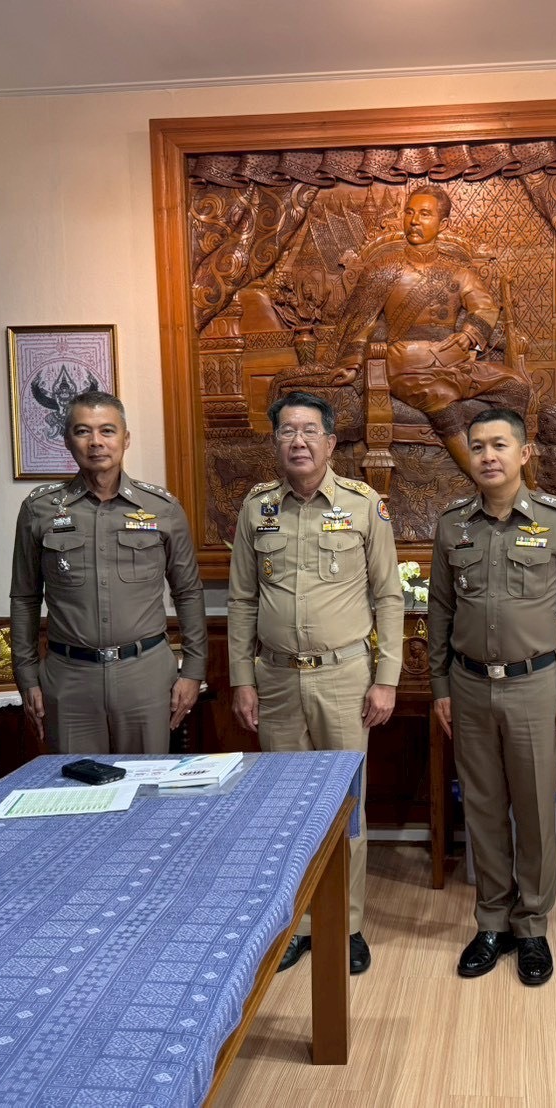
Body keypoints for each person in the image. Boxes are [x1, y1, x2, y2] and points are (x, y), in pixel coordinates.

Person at [226, 391, 403, 977]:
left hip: (345, 678)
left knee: (345, 810)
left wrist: (386, 679)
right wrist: (242, 678)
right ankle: (298, 924)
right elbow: (242, 600)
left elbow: (388, 596)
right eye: (286, 431)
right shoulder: (256, 509)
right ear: (275, 442)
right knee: (283, 811)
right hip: (275, 680)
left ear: (330, 443)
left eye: (309, 431)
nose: (297, 441)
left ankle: (346, 925)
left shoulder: (363, 505)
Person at [428, 408, 556, 987]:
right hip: (470, 686)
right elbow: (440, 610)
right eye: (478, 446)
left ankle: (532, 927)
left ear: (524, 454)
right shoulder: (453, 524)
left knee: (534, 811)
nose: (487, 456)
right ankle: (492, 922)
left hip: (535, 687)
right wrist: (441, 686)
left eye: (499, 445)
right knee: (481, 808)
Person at [10, 390, 205, 755]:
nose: (96, 442)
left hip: (145, 674)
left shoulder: (162, 508)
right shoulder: (39, 509)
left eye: (107, 431)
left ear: (125, 439)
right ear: (67, 440)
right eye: (83, 431)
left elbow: (188, 592)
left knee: (147, 783)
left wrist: (193, 670)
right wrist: (26, 675)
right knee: (75, 785)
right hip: (69, 677)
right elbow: (24, 597)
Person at [329, 185, 532, 479]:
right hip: (406, 366)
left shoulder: (458, 272)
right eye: (409, 213)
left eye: (425, 214)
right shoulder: (383, 270)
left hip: (453, 362)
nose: (414, 221)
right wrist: (351, 364)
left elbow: (485, 307)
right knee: (439, 396)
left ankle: (510, 467)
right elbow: (362, 323)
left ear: (442, 223)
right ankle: (485, 480)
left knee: (516, 386)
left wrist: (469, 334)